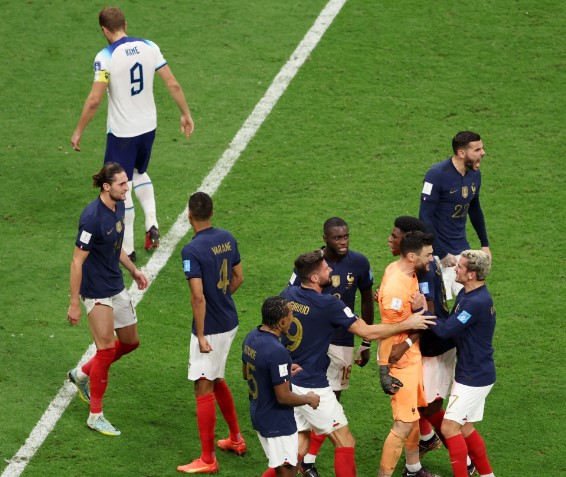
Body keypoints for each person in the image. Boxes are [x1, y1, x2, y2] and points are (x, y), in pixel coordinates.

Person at [280, 250, 435, 477]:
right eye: (325, 269)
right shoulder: (328, 304)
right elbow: (367, 332)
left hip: (290, 380)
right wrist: (407, 322)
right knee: (345, 442)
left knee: (299, 447)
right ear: (314, 278)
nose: (330, 270)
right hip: (313, 385)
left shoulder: (289, 293)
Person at [71, 7, 195, 261]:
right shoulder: (149, 46)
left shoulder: (106, 56)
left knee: (120, 184)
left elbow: (95, 99)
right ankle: (151, 221)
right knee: (139, 172)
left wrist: (79, 130)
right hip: (148, 126)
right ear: (125, 23)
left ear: (104, 30)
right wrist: (185, 113)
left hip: (122, 133)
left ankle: (127, 248)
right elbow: (172, 83)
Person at [385, 218, 476, 476]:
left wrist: (405, 343)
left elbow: (430, 314)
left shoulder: (423, 269)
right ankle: (425, 442)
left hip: (435, 347)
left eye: (395, 237)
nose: (391, 240)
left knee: (427, 407)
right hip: (431, 346)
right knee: (417, 403)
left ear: (408, 245)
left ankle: (465, 460)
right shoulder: (418, 264)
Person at [67, 162, 149, 437]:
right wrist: (75, 303)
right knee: (104, 350)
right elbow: (77, 261)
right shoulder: (91, 218)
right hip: (96, 291)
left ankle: (81, 375)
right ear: (106, 186)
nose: (127, 188)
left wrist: (134, 270)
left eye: (127, 182)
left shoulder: (120, 205)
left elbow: (117, 246)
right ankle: (96, 416)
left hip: (116, 283)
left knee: (130, 342)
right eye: (122, 184)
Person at [287, 218, 374, 477]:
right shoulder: (313, 265)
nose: (344, 241)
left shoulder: (359, 262)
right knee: (320, 407)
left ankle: (307, 459)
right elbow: (291, 299)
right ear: (325, 239)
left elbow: (367, 300)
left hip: (342, 340)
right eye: (337, 238)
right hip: (312, 339)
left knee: (332, 398)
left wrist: (366, 343)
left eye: (346, 236)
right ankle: (307, 461)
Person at [177, 192, 245, 474]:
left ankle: (207, 459)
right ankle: (236, 439)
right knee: (216, 378)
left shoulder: (191, 251)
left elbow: (198, 297)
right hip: (230, 319)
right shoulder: (227, 238)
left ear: (189, 215)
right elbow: (239, 277)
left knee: (203, 384)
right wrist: (222, 297)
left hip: (212, 329)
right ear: (212, 212)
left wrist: (202, 335)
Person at [375, 231, 440, 477]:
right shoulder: (395, 288)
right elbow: (388, 333)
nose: (432, 259)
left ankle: (413, 470)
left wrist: (418, 309)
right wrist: (420, 315)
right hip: (400, 362)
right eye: (429, 255)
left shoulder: (399, 270)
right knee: (402, 425)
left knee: (412, 418)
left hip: (410, 359)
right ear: (412, 256)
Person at [426, 250, 496, 477]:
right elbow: (453, 325)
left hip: (474, 378)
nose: (456, 267)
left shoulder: (476, 302)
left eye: (461, 267)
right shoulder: (468, 294)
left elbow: (446, 331)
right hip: (472, 372)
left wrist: (422, 310)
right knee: (465, 427)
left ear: (472, 274)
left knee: (448, 428)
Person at [242, 296, 321, 477]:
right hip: (277, 422)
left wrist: (282, 374)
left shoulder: (251, 338)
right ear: (282, 321)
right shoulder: (278, 351)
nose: (292, 319)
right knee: (288, 472)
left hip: (258, 413)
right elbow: (283, 397)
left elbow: (247, 374)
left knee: (282, 468)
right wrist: (310, 399)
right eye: (291, 314)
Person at [419, 131, 490, 300]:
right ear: (461, 153)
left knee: (466, 299)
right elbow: (424, 217)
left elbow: (474, 208)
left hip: (461, 248)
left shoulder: (474, 174)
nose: (483, 153)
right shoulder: (436, 175)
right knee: (435, 304)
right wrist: (441, 253)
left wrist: (485, 244)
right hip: (437, 252)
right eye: (477, 149)